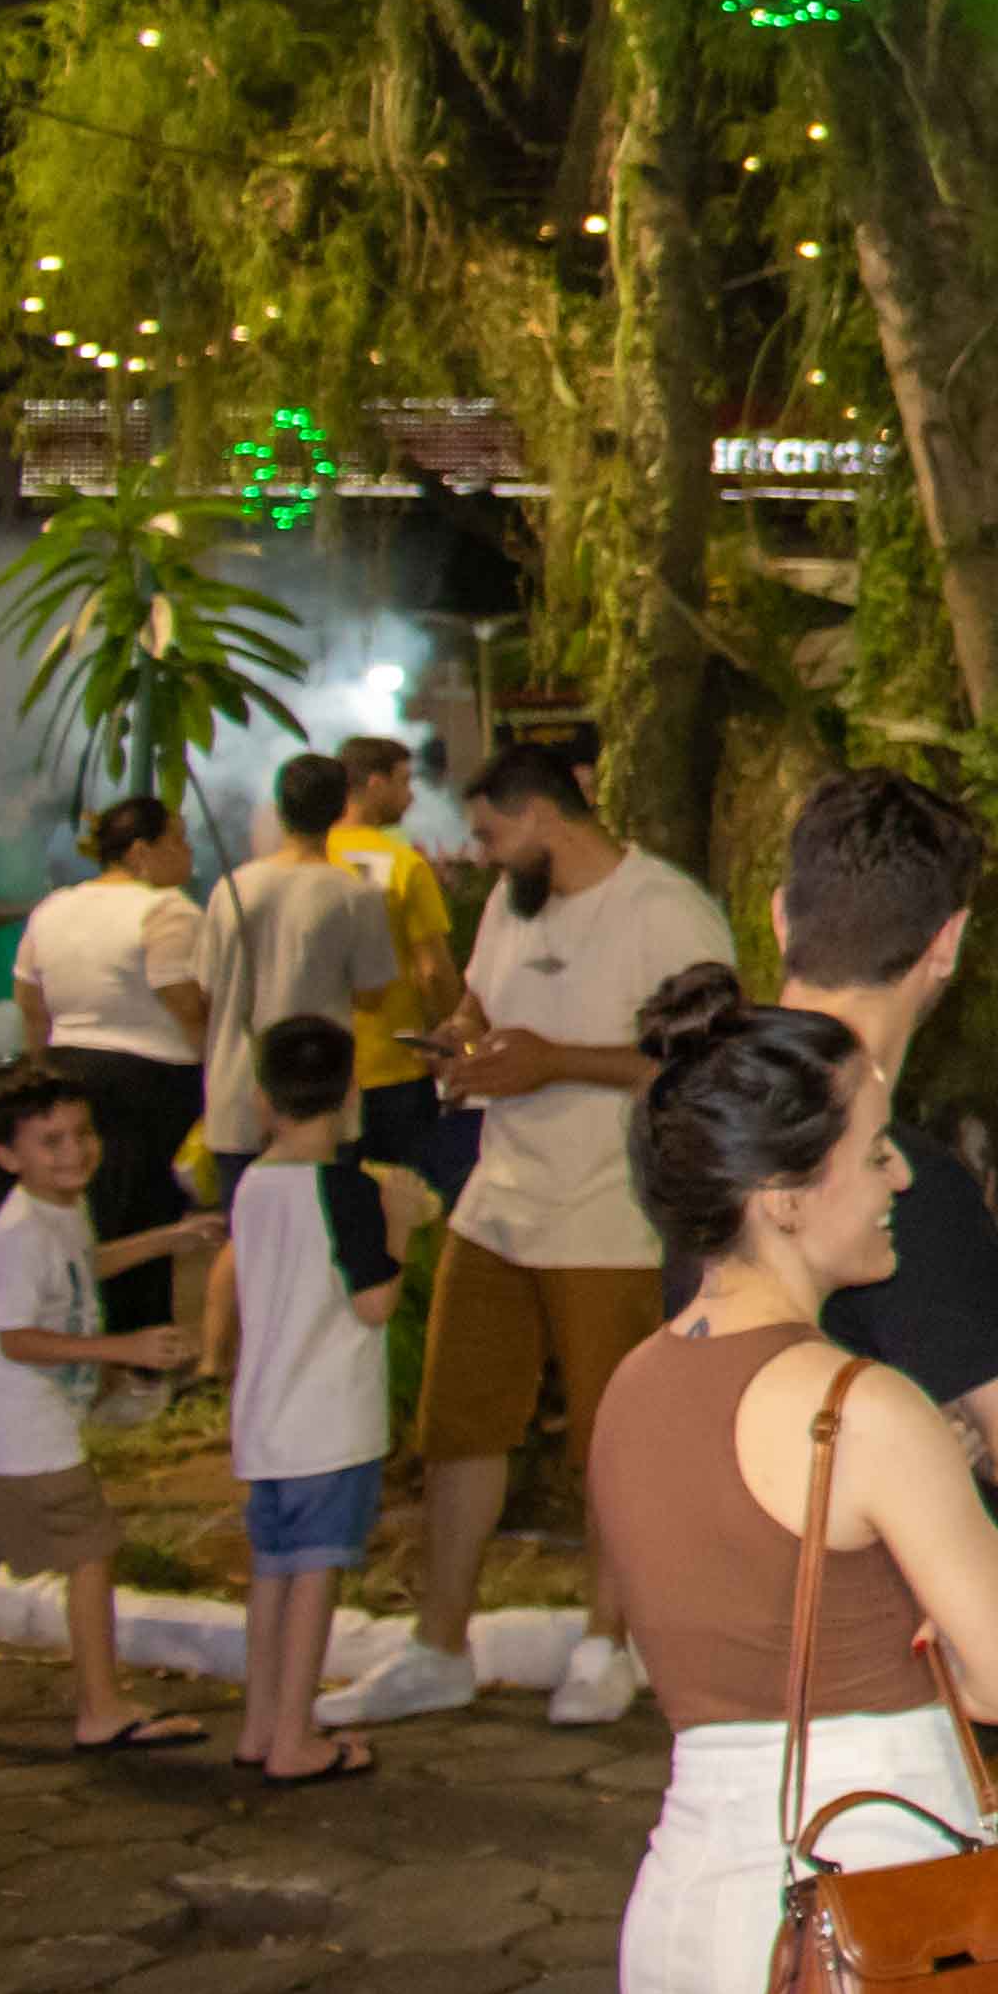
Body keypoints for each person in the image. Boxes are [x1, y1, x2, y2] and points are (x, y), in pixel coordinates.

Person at [592, 977, 998, 1994]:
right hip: (878, 1898)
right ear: (787, 1197)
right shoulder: (858, 1404)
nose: (902, 1178)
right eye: (873, 1151)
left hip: (695, 1896)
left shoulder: (631, 1387)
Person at [338, 740, 729, 1731]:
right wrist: (459, 1043)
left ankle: (607, 1644)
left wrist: (557, 1062)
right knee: (458, 1426)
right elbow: (478, 1002)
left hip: (610, 1213)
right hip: (498, 1202)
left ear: (543, 817)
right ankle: (438, 1646)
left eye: (489, 834)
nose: (479, 854)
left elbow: (703, 1064)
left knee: (613, 1442)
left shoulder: (664, 910)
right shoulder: (512, 906)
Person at [771, 770, 998, 1513]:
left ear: (782, 917)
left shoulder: (704, 1126)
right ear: (947, 942)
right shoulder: (901, 1179)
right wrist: (945, 1421)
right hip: (866, 1570)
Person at [0, 1065, 213, 1752]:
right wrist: (123, 1347)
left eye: (82, 1134)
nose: (75, 1151)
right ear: (8, 1156)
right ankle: (101, 1709)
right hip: (26, 1429)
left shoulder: (58, 1209)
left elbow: (84, 1263)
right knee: (92, 1552)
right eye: (50, 1141)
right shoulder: (21, 1232)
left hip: (4, 1427)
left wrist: (164, 1241)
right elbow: (17, 1338)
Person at [207, 1013, 401, 1783]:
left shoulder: (252, 1184)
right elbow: (375, 1304)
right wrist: (401, 1228)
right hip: (330, 1421)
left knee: (272, 1573)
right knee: (316, 1576)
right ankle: (296, 1737)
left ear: (263, 1099)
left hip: (265, 1419)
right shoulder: (348, 1190)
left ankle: (259, 1726)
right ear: (351, 1095)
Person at [11, 796, 209, 1333]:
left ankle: (88, 1335)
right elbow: (186, 1003)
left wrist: (40, 1074)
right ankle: (138, 1347)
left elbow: (30, 1002)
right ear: (142, 851)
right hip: (151, 1083)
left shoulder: (53, 908)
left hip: (68, 1068)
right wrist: (215, 1072)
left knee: (83, 1211)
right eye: (178, 839)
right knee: (145, 1215)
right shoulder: (168, 910)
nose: (188, 852)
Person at [191, 751, 402, 1166]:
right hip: (320, 1103)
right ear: (340, 809)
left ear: (280, 809)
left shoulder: (232, 888)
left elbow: (207, 987)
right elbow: (372, 996)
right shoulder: (355, 895)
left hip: (236, 1100)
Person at [330, 731, 471, 1190]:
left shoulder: (310, 859)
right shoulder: (403, 864)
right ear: (375, 785)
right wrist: (452, 1038)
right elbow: (433, 970)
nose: (410, 796)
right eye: (404, 782)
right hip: (395, 1064)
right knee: (408, 1201)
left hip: (326, 1072)